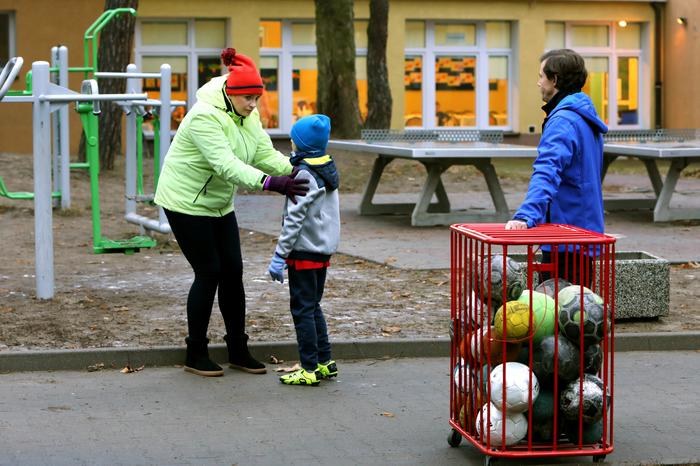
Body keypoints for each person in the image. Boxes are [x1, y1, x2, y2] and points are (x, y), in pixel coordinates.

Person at [154, 48, 309, 377]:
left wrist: (300, 171)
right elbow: (225, 165)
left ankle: (238, 349)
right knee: (209, 271)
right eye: (248, 98)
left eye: (257, 98)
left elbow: (263, 151)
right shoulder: (203, 117)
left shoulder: (248, 114)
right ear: (230, 92)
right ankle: (195, 352)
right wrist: (270, 183)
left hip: (219, 203)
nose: (253, 105)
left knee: (233, 271)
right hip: (184, 201)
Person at [505, 49, 608, 286]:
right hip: (582, 228)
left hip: (565, 233)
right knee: (577, 306)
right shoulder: (582, 115)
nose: (538, 82)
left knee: (559, 310)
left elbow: (547, 170)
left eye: (541, 75)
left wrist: (526, 216)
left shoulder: (563, 121)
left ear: (555, 80)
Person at [267, 114, 340, 386]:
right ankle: (324, 361)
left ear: (302, 146)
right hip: (322, 250)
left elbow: (294, 220)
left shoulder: (304, 175)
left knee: (302, 310)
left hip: (304, 251)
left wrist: (279, 255)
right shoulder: (326, 167)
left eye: (294, 142)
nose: (291, 146)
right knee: (313, 306)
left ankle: (308, 368)